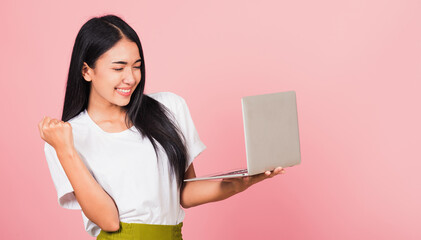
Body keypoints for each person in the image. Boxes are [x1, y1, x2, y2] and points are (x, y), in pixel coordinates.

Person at [37, 14, 285, 240]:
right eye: (118, 67)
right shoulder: (66, 138)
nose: (131, 78)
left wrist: (244, 180)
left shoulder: (169, 107)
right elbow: (108, 221)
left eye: (137, 66)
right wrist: (66, 150)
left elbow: (184, 193)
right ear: (86, 70)